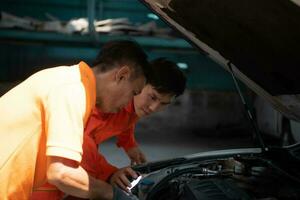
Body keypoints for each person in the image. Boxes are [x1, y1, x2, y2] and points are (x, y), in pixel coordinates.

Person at [0, 40, 151, 200]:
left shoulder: (69, 82)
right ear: (122, 75)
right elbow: (62, 173)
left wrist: (110, 175)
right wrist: (114, 194)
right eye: (133, 93)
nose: (129, 103)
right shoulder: (72, 90)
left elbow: (83, 155)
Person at [31, 58, 187, 199]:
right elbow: (83, 143)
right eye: (152, 97)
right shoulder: (108, 102)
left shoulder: (137, 106)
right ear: (141, 83)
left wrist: (130, 145)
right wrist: (110, 173)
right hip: (48, 165)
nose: (153, 108)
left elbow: (127, 123)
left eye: (163, 104)